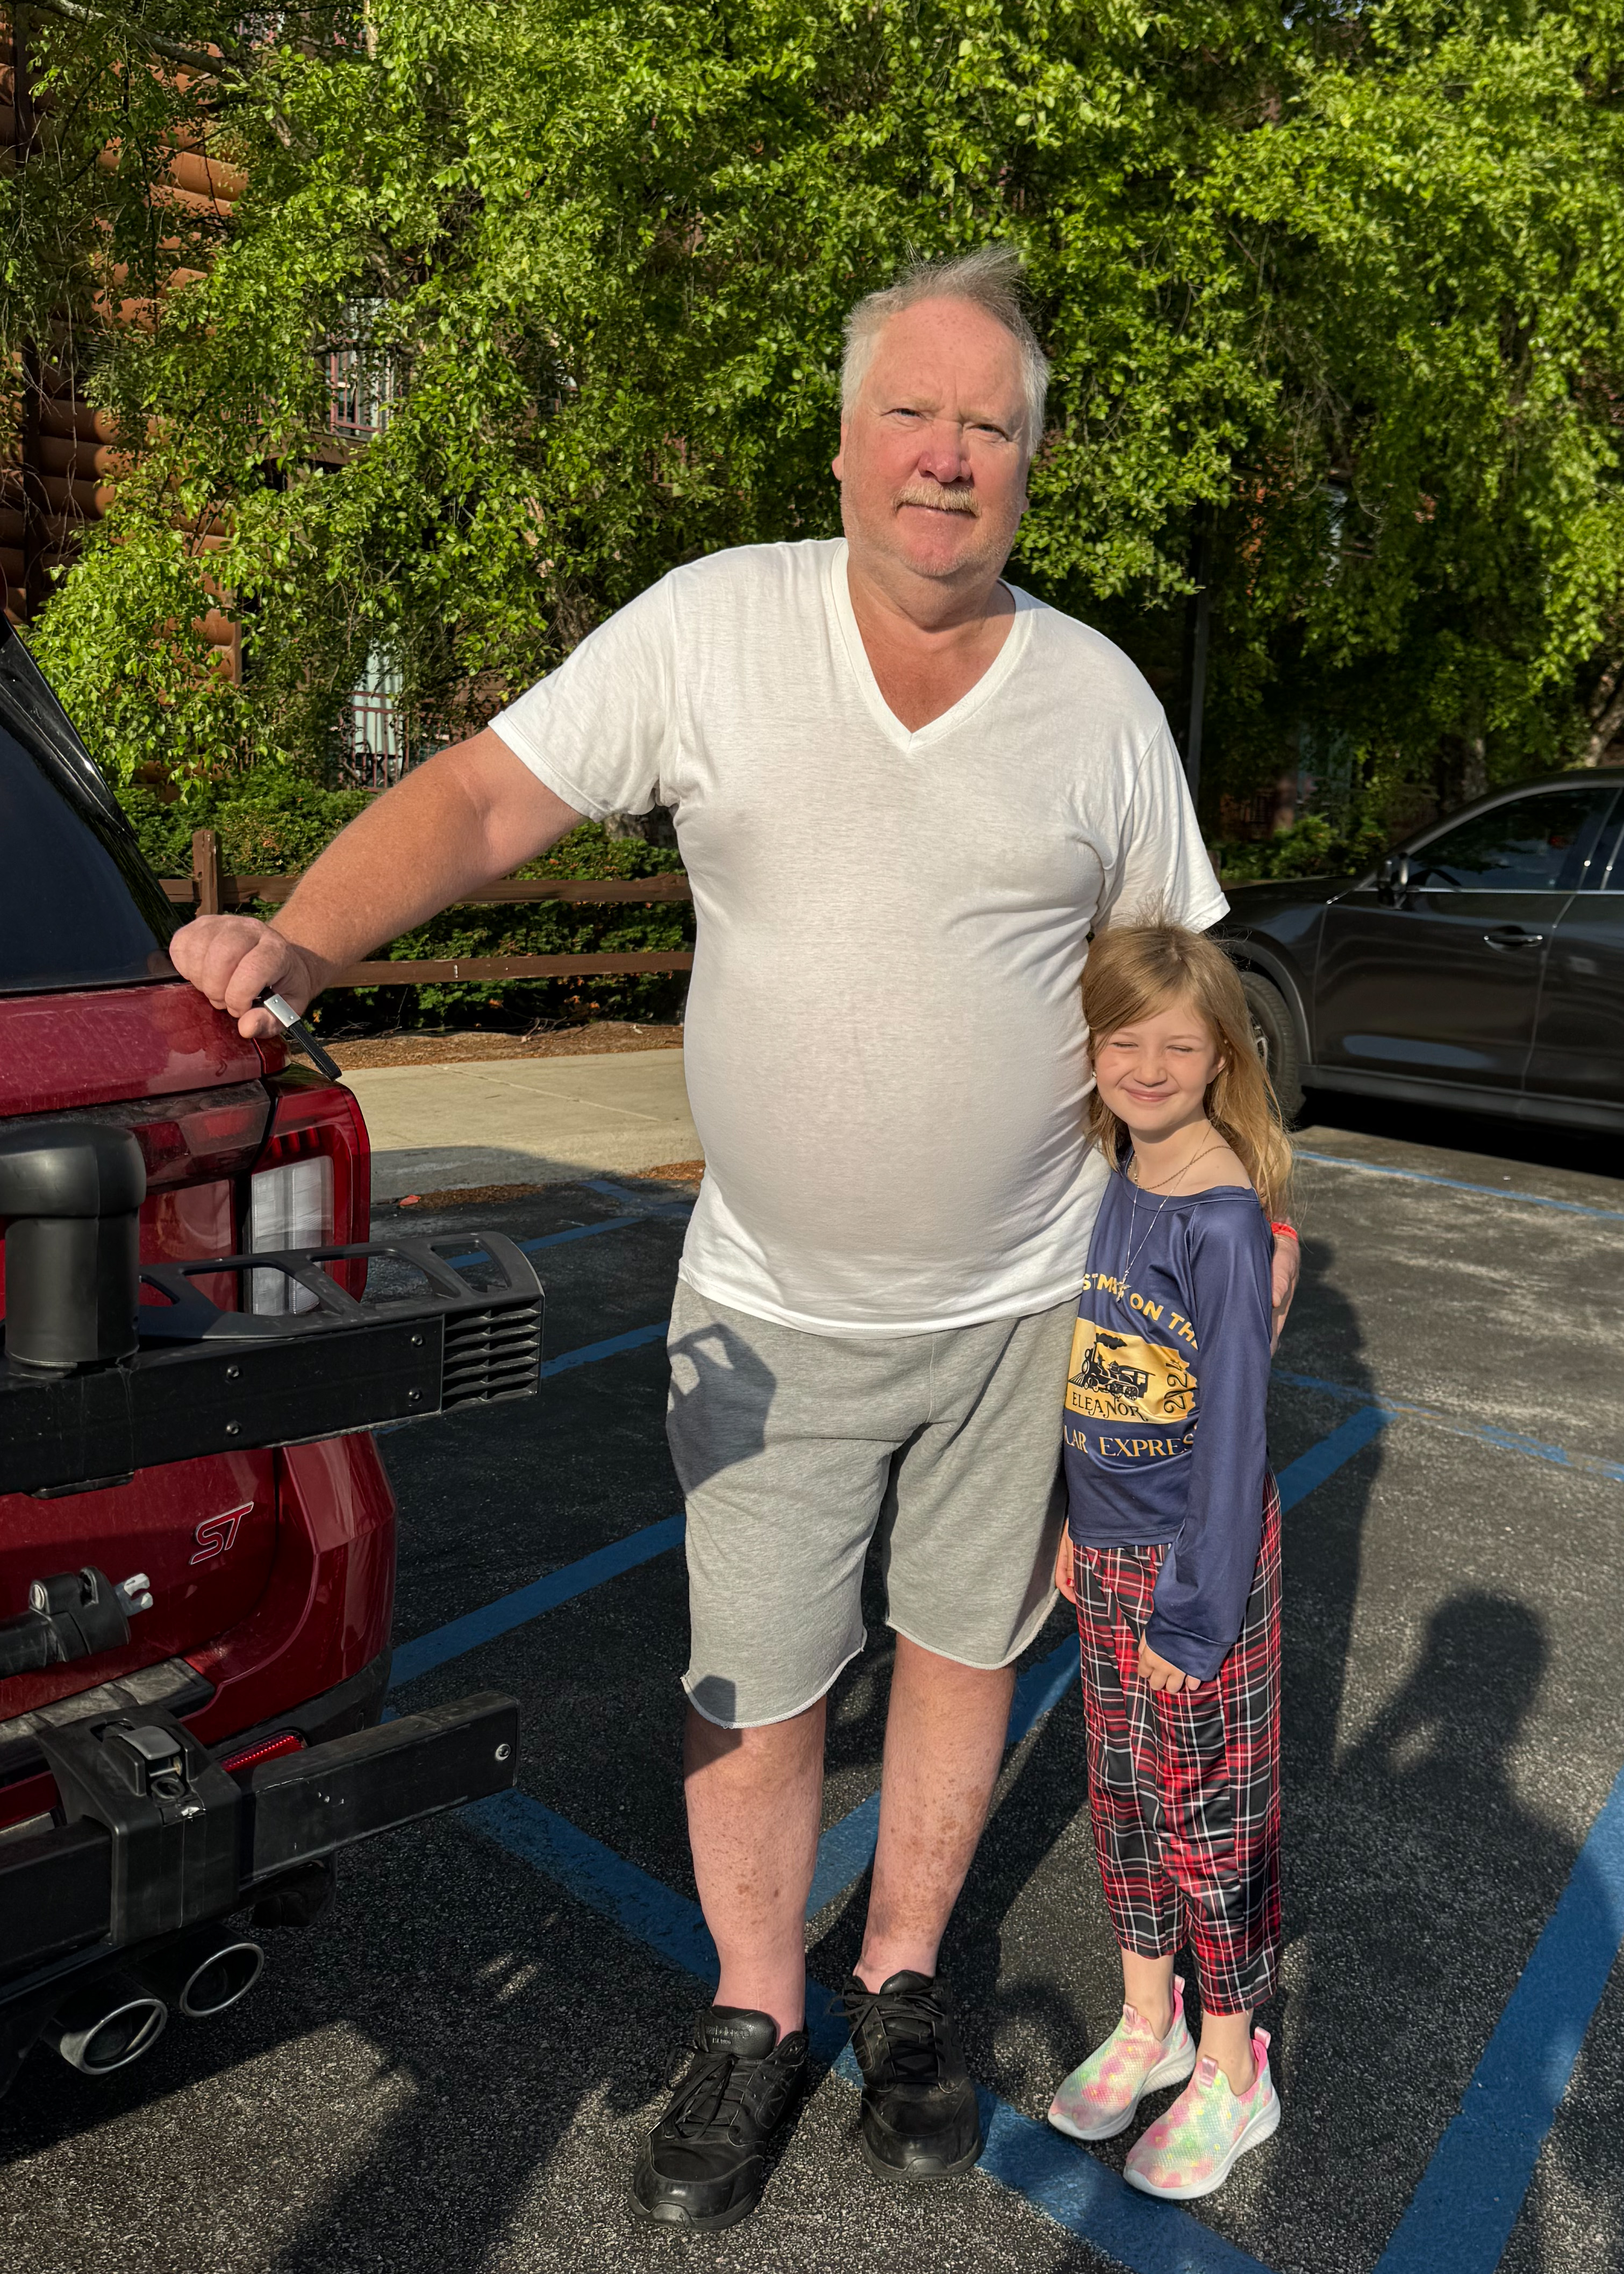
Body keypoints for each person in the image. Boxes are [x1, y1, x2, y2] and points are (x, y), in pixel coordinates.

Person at [168, 245, 1300, 2233]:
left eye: (990, 426)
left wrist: (1234, 1211)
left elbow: (1171, 999)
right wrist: (302, 935)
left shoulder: (1102, 702)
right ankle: (754, 2011)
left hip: (1028, 1309)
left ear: (1032, 462)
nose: (947, 458)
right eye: (913, 415)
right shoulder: (716, 626)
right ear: (848, 438)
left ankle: (902, 1982)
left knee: (964, 1656)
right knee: (756, 1685)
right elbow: (478, 798)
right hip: (771, 1317)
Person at [1046, 919, 1290, 2201]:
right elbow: (1096, 1377)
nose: (1145, 1064)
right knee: (1127, 1803)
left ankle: (1231, 2064)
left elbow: (1233, 1432)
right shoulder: (1112, 1177)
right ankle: (1148, 2023)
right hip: (1112, 1558)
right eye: (1120, 1038)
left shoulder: (1221, 1222)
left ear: (1217, 1060)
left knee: (1210, 1823)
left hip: (1198, 1578)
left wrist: (1192, 1617)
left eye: (1175, 1045)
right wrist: (1076, 1529)